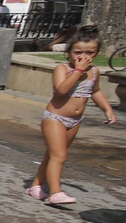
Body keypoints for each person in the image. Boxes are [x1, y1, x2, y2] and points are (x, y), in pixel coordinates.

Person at [27, 25, 117, 205]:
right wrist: (77, 71)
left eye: (90, 52)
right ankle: (55, 192)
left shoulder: (94, 72)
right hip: (55, 118)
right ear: (68, 52)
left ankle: (35, 186)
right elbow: (62, 90)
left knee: (52, 155)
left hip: (74, 121)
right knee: (59, 156)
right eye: (78, 52)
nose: (83, 57)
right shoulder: (62, 69)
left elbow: (96, 91)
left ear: (97, 53)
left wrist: (107, 109)